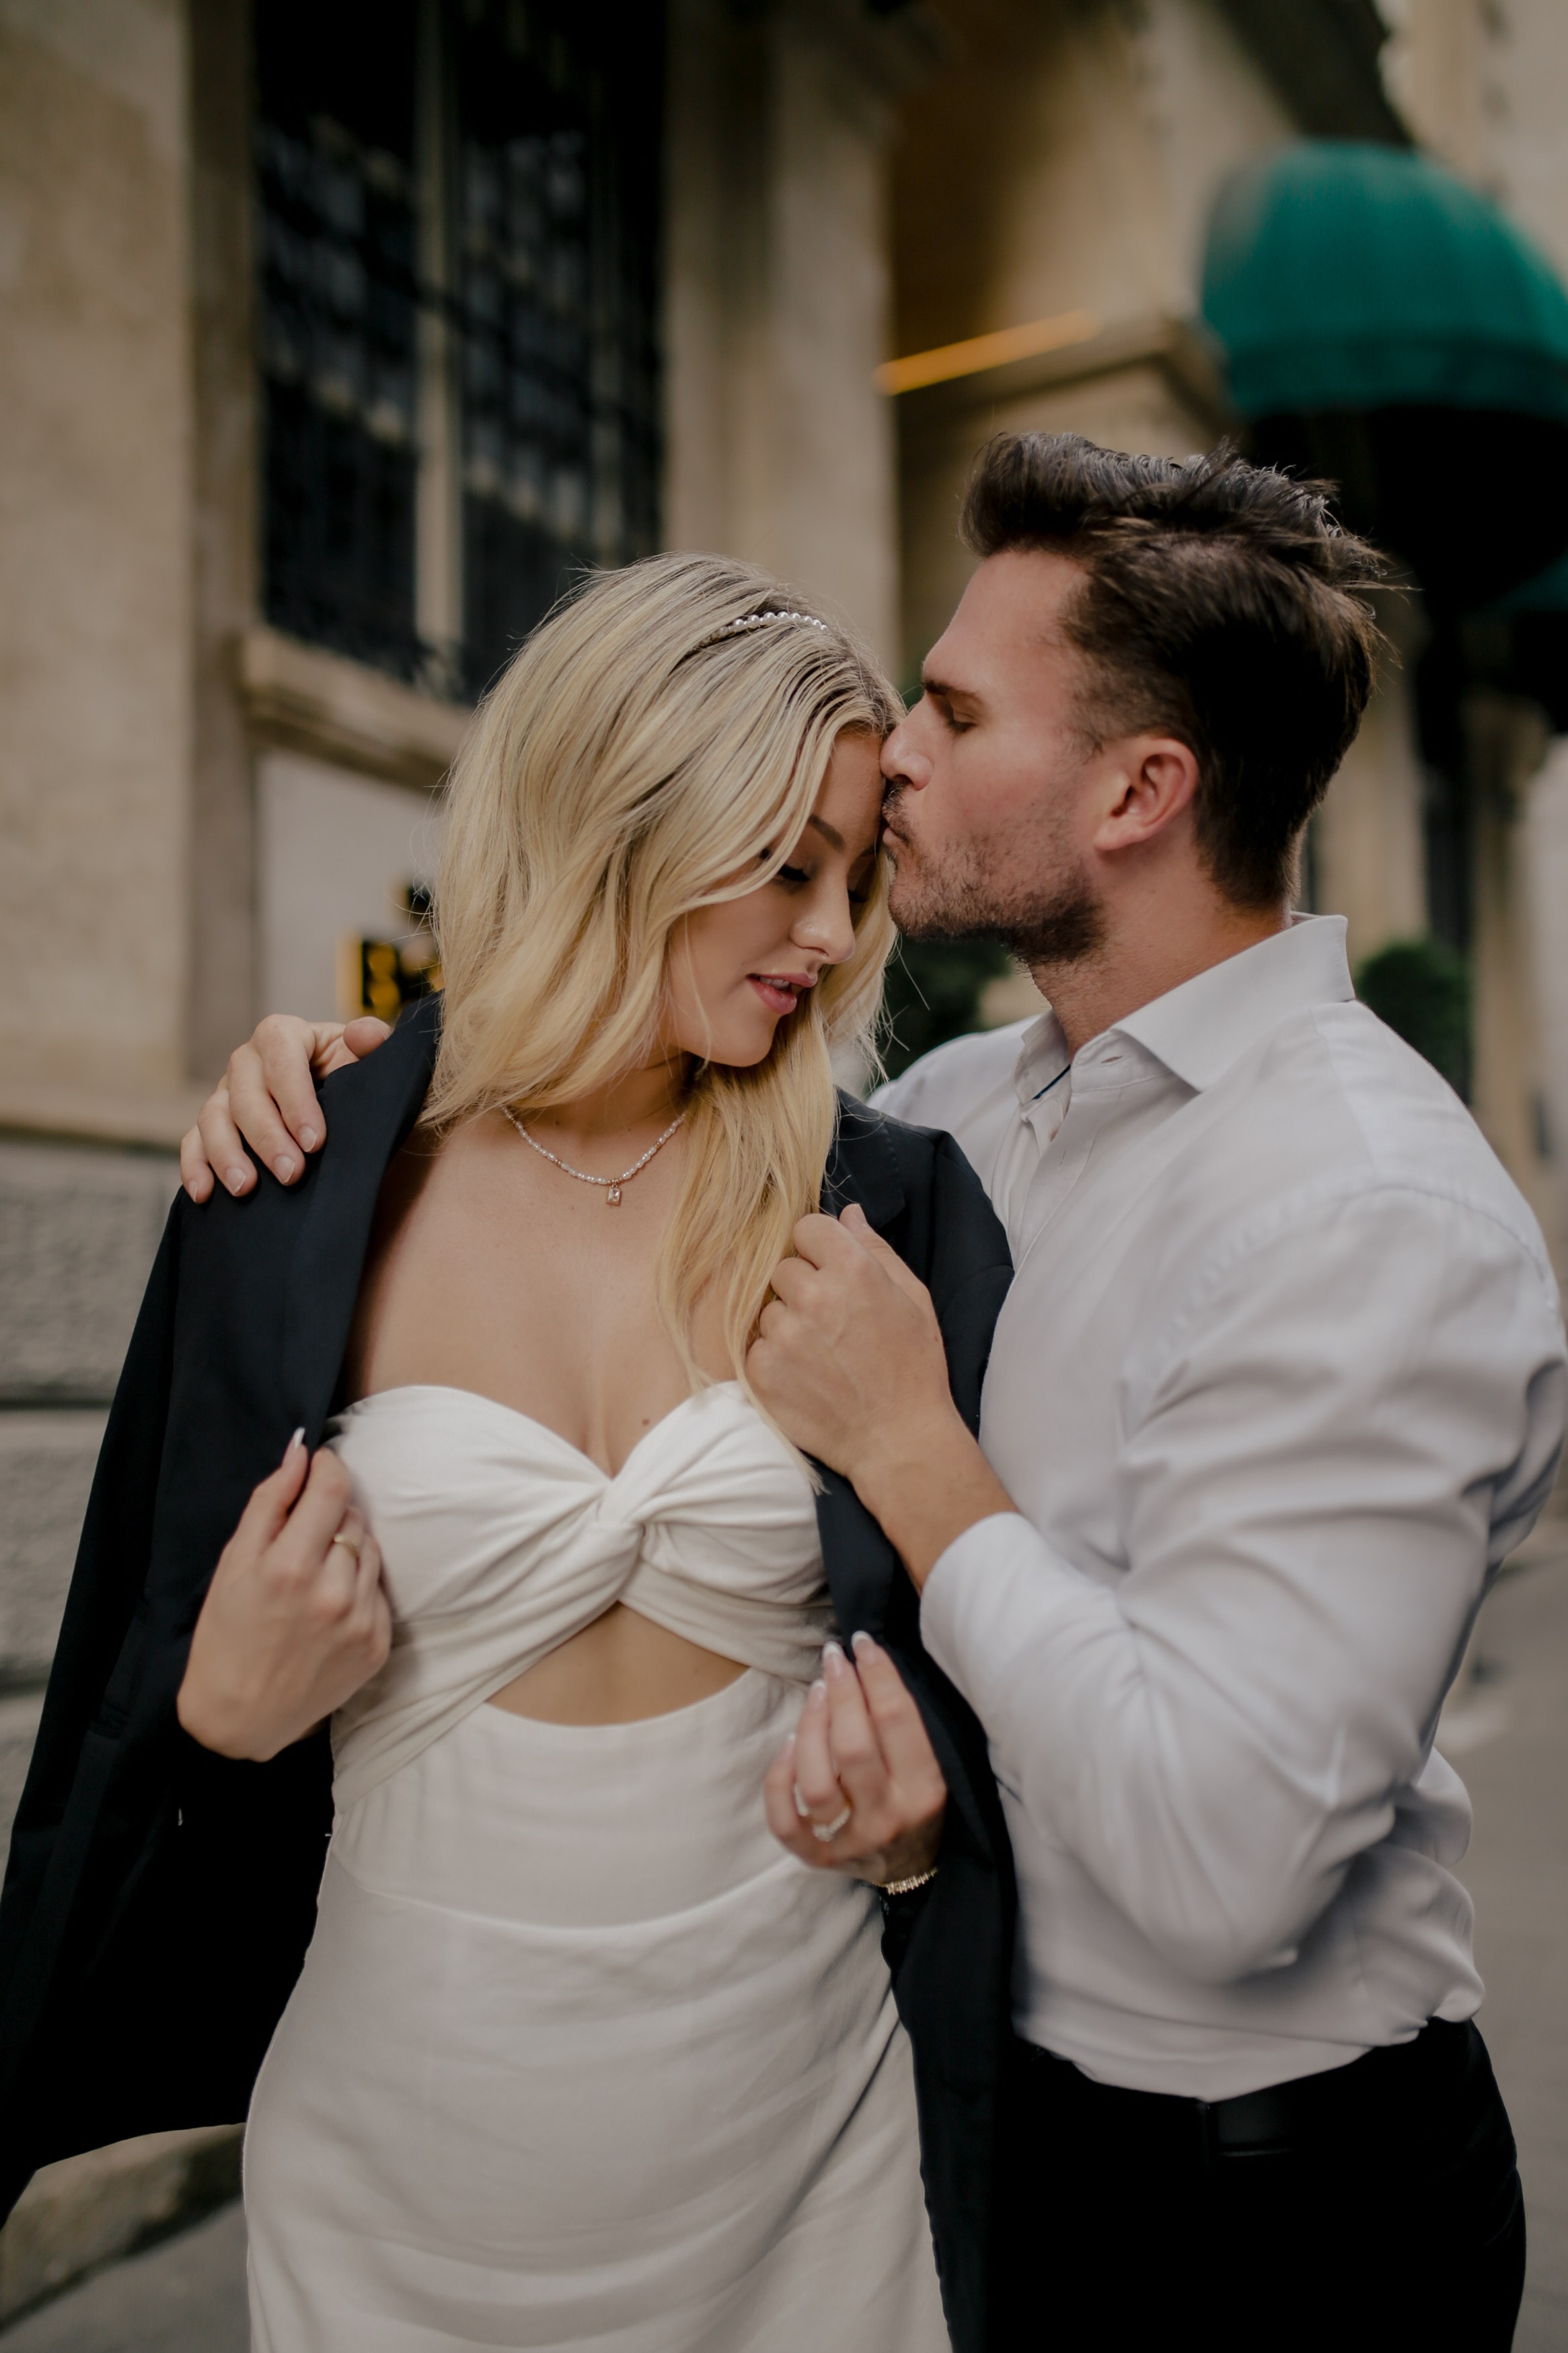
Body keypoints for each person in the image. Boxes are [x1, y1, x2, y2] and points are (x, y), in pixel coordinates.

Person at [207, 434, 1567, 2353]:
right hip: (938, 2117)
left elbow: (1218, 1869)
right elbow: (609, 1111)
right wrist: (347, 1091)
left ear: (1136, 790)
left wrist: (915, 1449)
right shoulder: (949, 1122)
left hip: (1256, 2212)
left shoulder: (1366, 1212)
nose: (897, 752)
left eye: (947, 708)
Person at [0, 554, 1016, 2352]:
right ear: (614, 823)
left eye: (858, 876)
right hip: (401, 2179)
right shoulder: (296, 1181)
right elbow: (127, 1709)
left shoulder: (888, 1208)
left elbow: (998, 1654)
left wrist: (925, 1805)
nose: (838, 931)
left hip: (808, 2162)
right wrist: (225, 1720)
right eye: (787, 864)